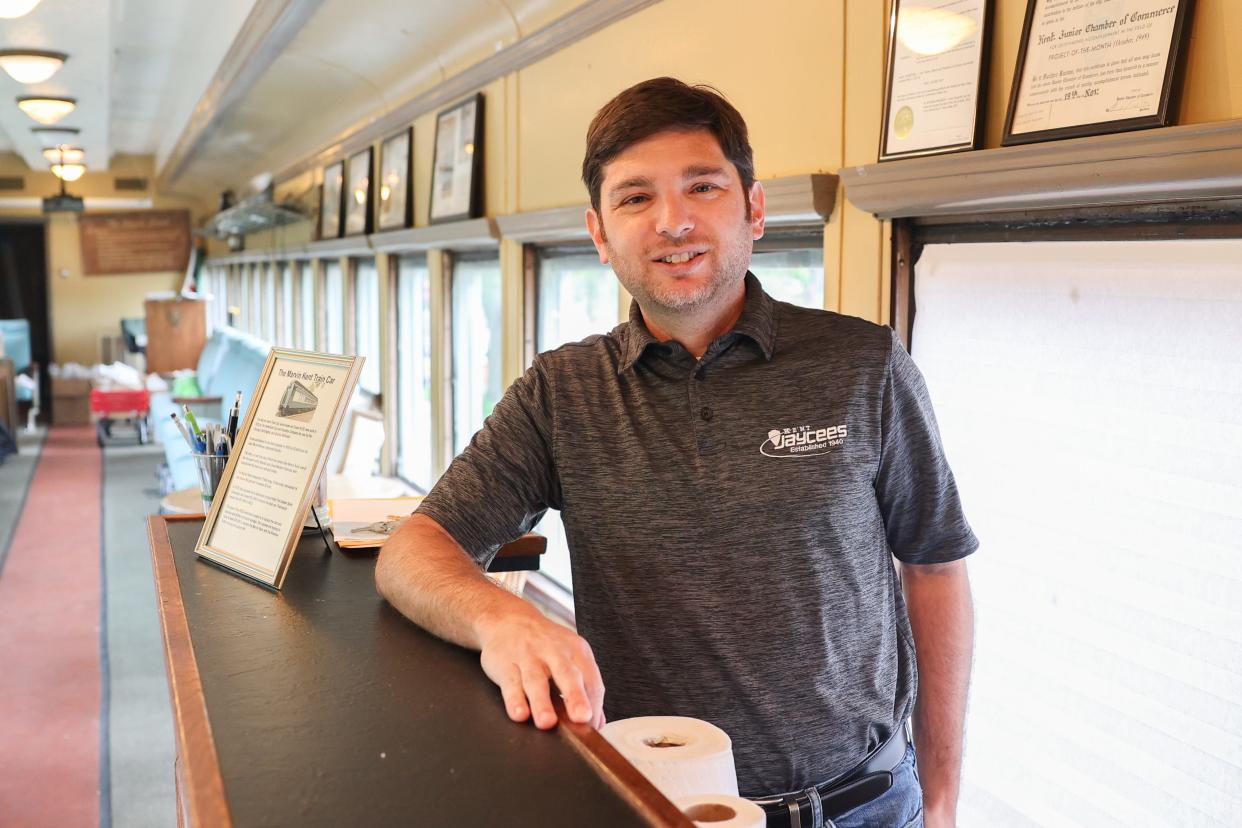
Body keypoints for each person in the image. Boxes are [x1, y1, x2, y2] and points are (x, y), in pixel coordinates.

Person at [376, 77, 977, 828]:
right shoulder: (562, 393)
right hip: (659, 810)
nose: (673, 221)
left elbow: (936, 567)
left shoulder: (864, 365)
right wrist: (503, 620)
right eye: (635, 198)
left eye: (702, 186)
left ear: (753, 209)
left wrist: (945, 800)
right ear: (598, 235)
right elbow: (412, 551)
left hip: (866, 805)